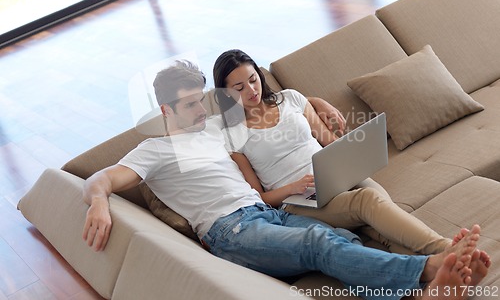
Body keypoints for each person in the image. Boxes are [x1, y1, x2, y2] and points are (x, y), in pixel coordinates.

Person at [82, 60, 490, 300]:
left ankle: (421, 292)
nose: (201, 111)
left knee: (346, 241)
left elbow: (280, 111)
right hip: (230, 230)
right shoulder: (153, 151)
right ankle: (429, 270)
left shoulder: (213, 133)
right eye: (190, 105)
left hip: (265, 217)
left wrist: (315, 102)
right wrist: (99, 200)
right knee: (318, 241)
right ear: (165, 109)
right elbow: (100, 179)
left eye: (201, 101)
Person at [213, 50, 452, 255]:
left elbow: (330, 142)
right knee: (368, 201)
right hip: (298, 199)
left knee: (381, 223)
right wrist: (294, 187)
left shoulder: (291, 99)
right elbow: (259, 198)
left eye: (253, 79)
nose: (251, 90)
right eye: (239, 87)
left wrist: (353, 152)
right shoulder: (233, 135)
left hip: (336, 175)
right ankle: (447, 249)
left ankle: (441, 268)